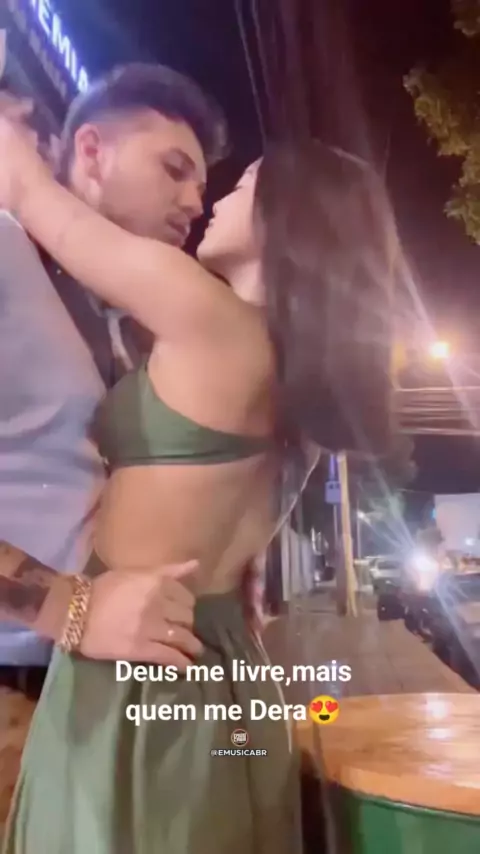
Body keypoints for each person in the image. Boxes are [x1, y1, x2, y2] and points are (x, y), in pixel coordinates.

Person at [0, 109, 395, 853]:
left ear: (288, 218)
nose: (211, 199)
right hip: (231, 669)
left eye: (242, 185)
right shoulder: (308, 394)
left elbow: (27, 191)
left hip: (136, 668)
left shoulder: (201, 312)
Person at [0, 63, 228, 695]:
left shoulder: (123, 322)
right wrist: (70, 610)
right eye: (174, 170)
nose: (195, 204)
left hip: (96, 683)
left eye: (202, 187)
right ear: (93, 152)